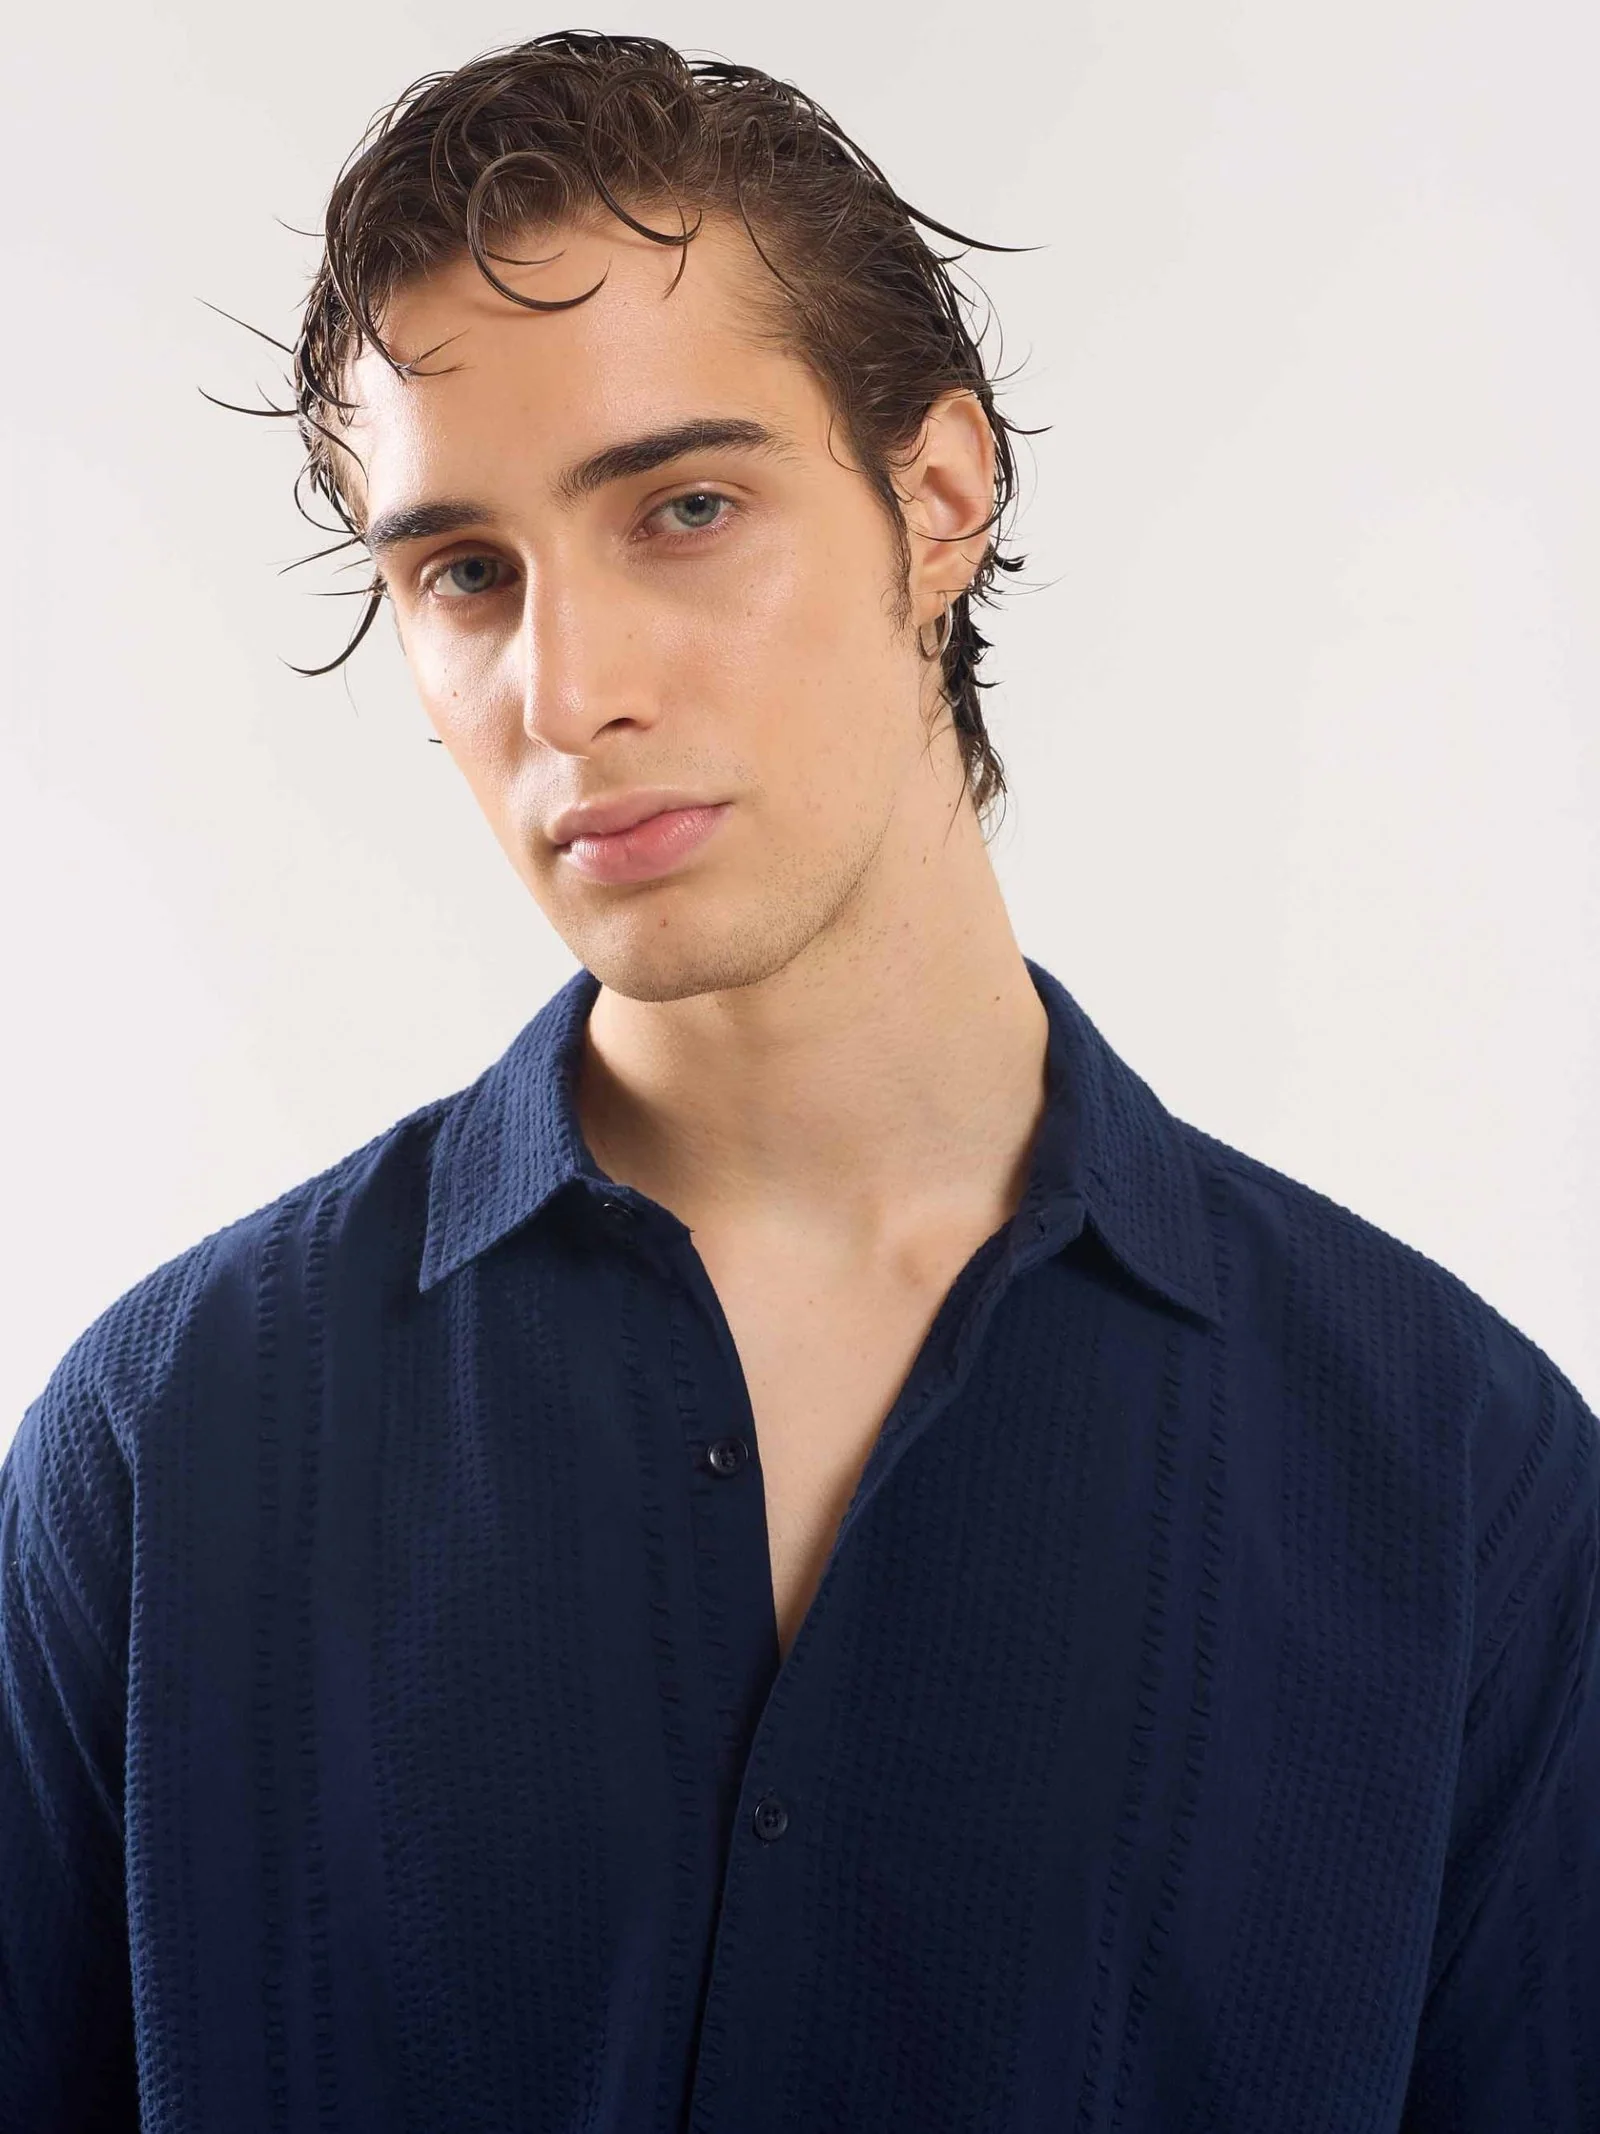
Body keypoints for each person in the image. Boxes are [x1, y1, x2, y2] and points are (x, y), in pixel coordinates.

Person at [2, 30, 1595, 2133]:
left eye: (684, 508)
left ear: (937, 502)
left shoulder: (1458, 1479)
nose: (571, 689)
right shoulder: (160, 1450)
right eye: (464, 571)